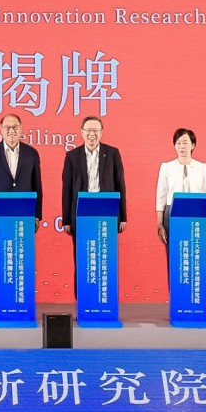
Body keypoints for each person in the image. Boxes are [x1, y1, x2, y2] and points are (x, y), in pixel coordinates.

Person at [0, 112, 43, 304]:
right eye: (7, 127)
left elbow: (37, 186)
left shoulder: (31, 153)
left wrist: (37, 215)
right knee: (0, 260)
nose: (11, 131)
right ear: (0, 130)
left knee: (23, 260)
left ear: (21, 129)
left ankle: (23, 303)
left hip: (24, 215)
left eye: (15, 127)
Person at [61, 116, 127, 288]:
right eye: (88, 130)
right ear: (82, 132)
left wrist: (123, 217)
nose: (92, 134)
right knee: (83, 257)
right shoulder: (72, 156)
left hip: (107, 211)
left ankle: (106, 300)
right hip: (81, 213)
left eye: (95, 131)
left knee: (106, 257)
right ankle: (82, 301)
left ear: (101, 132)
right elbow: (66, 189)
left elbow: (120, 185)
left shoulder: (112, 153)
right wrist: (67, 219)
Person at [155, 128, 206, 245]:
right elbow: (161, 197)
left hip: (197, 213)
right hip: (172, 213)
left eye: (185, 143)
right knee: (175, 251)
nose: (181, 146)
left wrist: (205, 220)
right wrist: (160, 224)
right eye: (178, 143)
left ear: (193, 145)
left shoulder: (202, 168)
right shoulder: (166, 167)